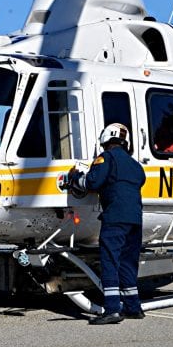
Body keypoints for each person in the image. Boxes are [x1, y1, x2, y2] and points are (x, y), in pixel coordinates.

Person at [69, 123, 146, 324]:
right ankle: (133, 307)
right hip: (135, 220)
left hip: (115, 218)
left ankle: (112, 309)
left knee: (110, 261)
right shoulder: (135, 165)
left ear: (105, 140)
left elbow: (92, 183)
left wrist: (75, 177)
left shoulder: (106, 159)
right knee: (128, 262)